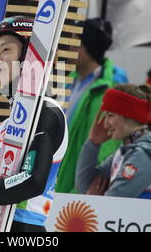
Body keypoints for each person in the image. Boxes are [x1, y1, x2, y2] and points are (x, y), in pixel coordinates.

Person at [0, 16, 68, 232]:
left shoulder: (47, 112)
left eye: (6, 50)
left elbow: (33, 180)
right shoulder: (5, 125)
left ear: (30, 56)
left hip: (27, 229)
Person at [55, 18, 128, 194]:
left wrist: (80, 191)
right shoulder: (68, 81)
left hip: (73, 191)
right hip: (53, 182)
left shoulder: (107, 91)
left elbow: (106, 148)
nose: (70, 49)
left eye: (75, 43)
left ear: (89, 47)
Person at [75, 84, 151, 199]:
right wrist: (93, 143)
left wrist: (93, 200)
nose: (105, 124)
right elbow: (84, 187)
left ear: (129, 114)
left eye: (110, 115)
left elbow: (113, 203)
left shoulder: (143, 154)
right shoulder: (125, 151)